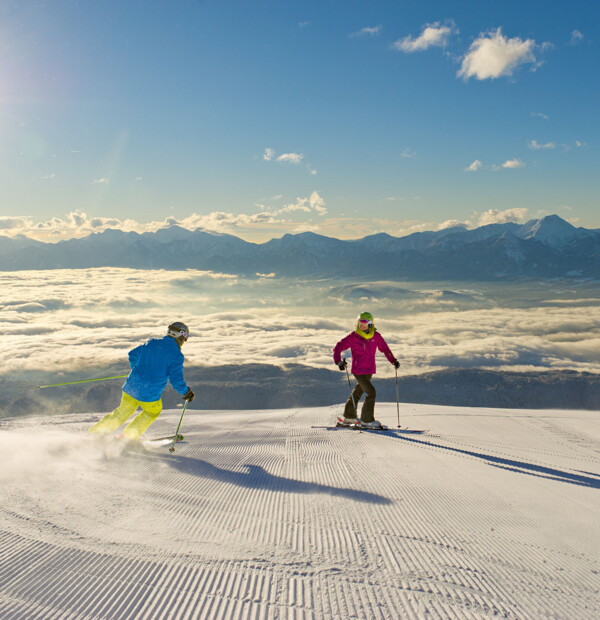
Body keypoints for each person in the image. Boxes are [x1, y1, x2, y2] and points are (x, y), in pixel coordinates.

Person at [89, 321, 195, 440]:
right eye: (184, 338)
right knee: (152, 411)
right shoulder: (176, 355)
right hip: (149, 394)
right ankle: (127, 438)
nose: (183, 342)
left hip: (131, 388)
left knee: (120, 414)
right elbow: (176, 381)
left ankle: (94, 434)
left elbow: (132, 354)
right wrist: (186, 392)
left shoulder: (152, 343)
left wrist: (137, 370)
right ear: (179, 335)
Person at [332, 311, 399, 428]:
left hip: (369, 370)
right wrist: (338, 361)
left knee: (358, 392)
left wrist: (393, 360)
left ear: (370, 324)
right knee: (371, 392)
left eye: (364, 322)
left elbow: (384, 349)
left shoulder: (376, 336)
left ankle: (349, 417)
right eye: (359, 322)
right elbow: (338, 347)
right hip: (358, 370)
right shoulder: (353, 337)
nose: (361, 325)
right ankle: (367, 420)